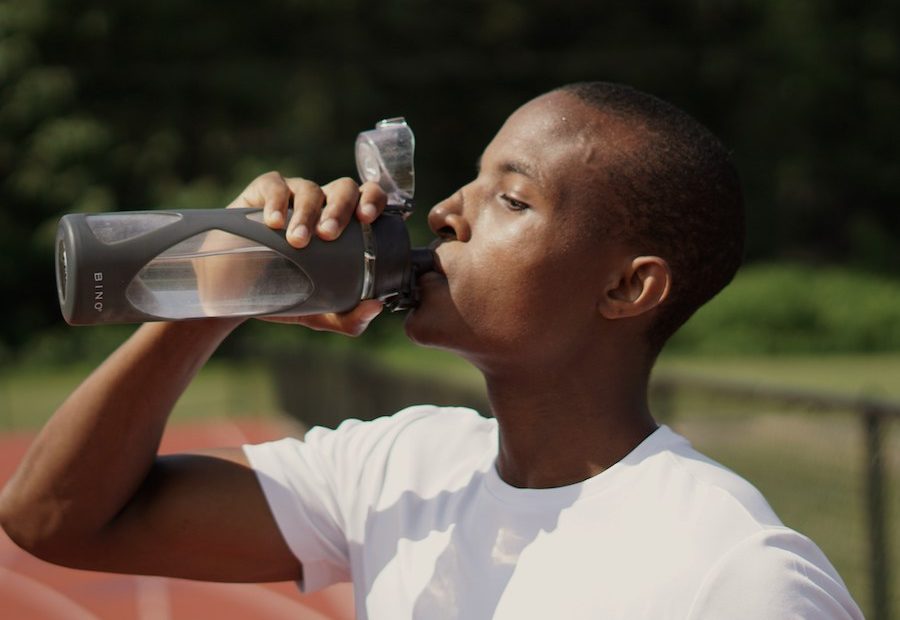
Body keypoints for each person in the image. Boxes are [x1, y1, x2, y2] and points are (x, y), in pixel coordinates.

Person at [0, 82, 862, 619]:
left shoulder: (734, 575)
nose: (448, 211)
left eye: (512, 200)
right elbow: (53, 518)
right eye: (471, 179)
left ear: (626, 289)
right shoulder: (404, 466)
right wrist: (222, 283)